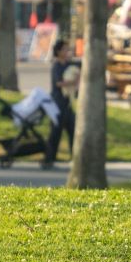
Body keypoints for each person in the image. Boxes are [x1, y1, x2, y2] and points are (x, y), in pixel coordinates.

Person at [42, 39, 78, 168]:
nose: (67, 51)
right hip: (57, 103)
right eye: (64, 49)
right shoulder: (56, 66)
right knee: (55, 132)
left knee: (73, 130)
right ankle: (49, 159)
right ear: (58, 51)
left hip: (68, 103)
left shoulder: (69, 65)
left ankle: (75, 158)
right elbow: (58, 83)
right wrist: (73, 82)